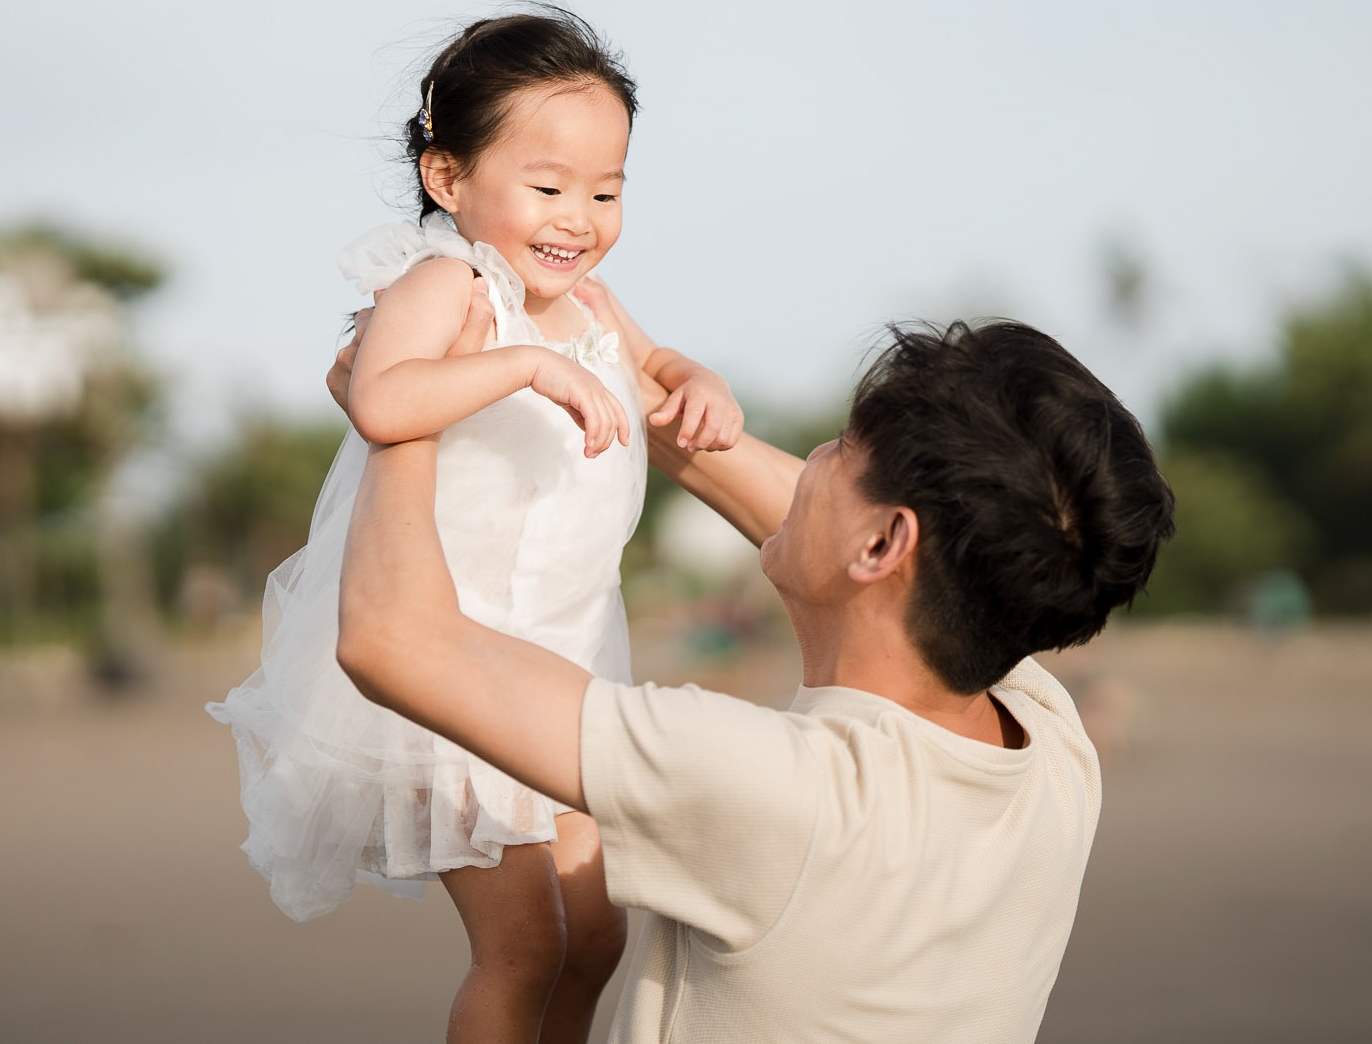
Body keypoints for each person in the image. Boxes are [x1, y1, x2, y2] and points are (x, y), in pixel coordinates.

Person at [331, 308, 1176, 1043]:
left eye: (841, 448)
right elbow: (897, 557)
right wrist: (613, 347)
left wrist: (404, 413)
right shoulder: (1052, 745)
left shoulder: (776, 787)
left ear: (884, 543)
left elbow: (391, 636)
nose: (807, 458)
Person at [208, 9, 742, 1044]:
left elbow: (659, 365)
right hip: (451, 677)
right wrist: (525, 365)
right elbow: (381, 398)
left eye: (606, 191)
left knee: (596, 939)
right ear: (448, 179)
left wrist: (698, 381)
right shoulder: (449, 286)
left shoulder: (590, 304)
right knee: (523, 946)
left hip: (566, 665)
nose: (576, 218)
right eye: (546, 188)